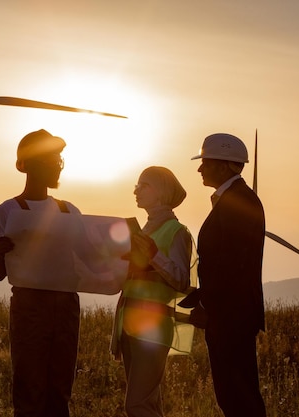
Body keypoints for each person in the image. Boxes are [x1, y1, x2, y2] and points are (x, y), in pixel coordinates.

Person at [0, 129, 81, 417]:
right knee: (29, 387)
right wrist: (1, 253)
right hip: (29, 307)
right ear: (27, 165)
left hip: (66, 305)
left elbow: (87, 259)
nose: (57, 164)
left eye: (58, 158)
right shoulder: (7, 211)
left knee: (60, 387)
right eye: (50, 159)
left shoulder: (70, 211)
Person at [189, 133, 266, 417]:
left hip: (230, 316)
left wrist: (207, 306)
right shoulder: (237, 199)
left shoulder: (238, 202)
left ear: (223, 166)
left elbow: (232, 265)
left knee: (238, 397)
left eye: (205, 163)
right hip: (232, 314)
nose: (200, 169)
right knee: (234, 395)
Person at [110, 166, 194, 417]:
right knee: (148, 403)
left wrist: (154, 255)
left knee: (137, 405)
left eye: (143, 185)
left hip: (153, 328)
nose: (136, 190)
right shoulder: (142, 231)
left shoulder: (177, 232)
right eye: (136, 185)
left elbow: (181, 279)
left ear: (161, 191)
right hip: (129, 325)